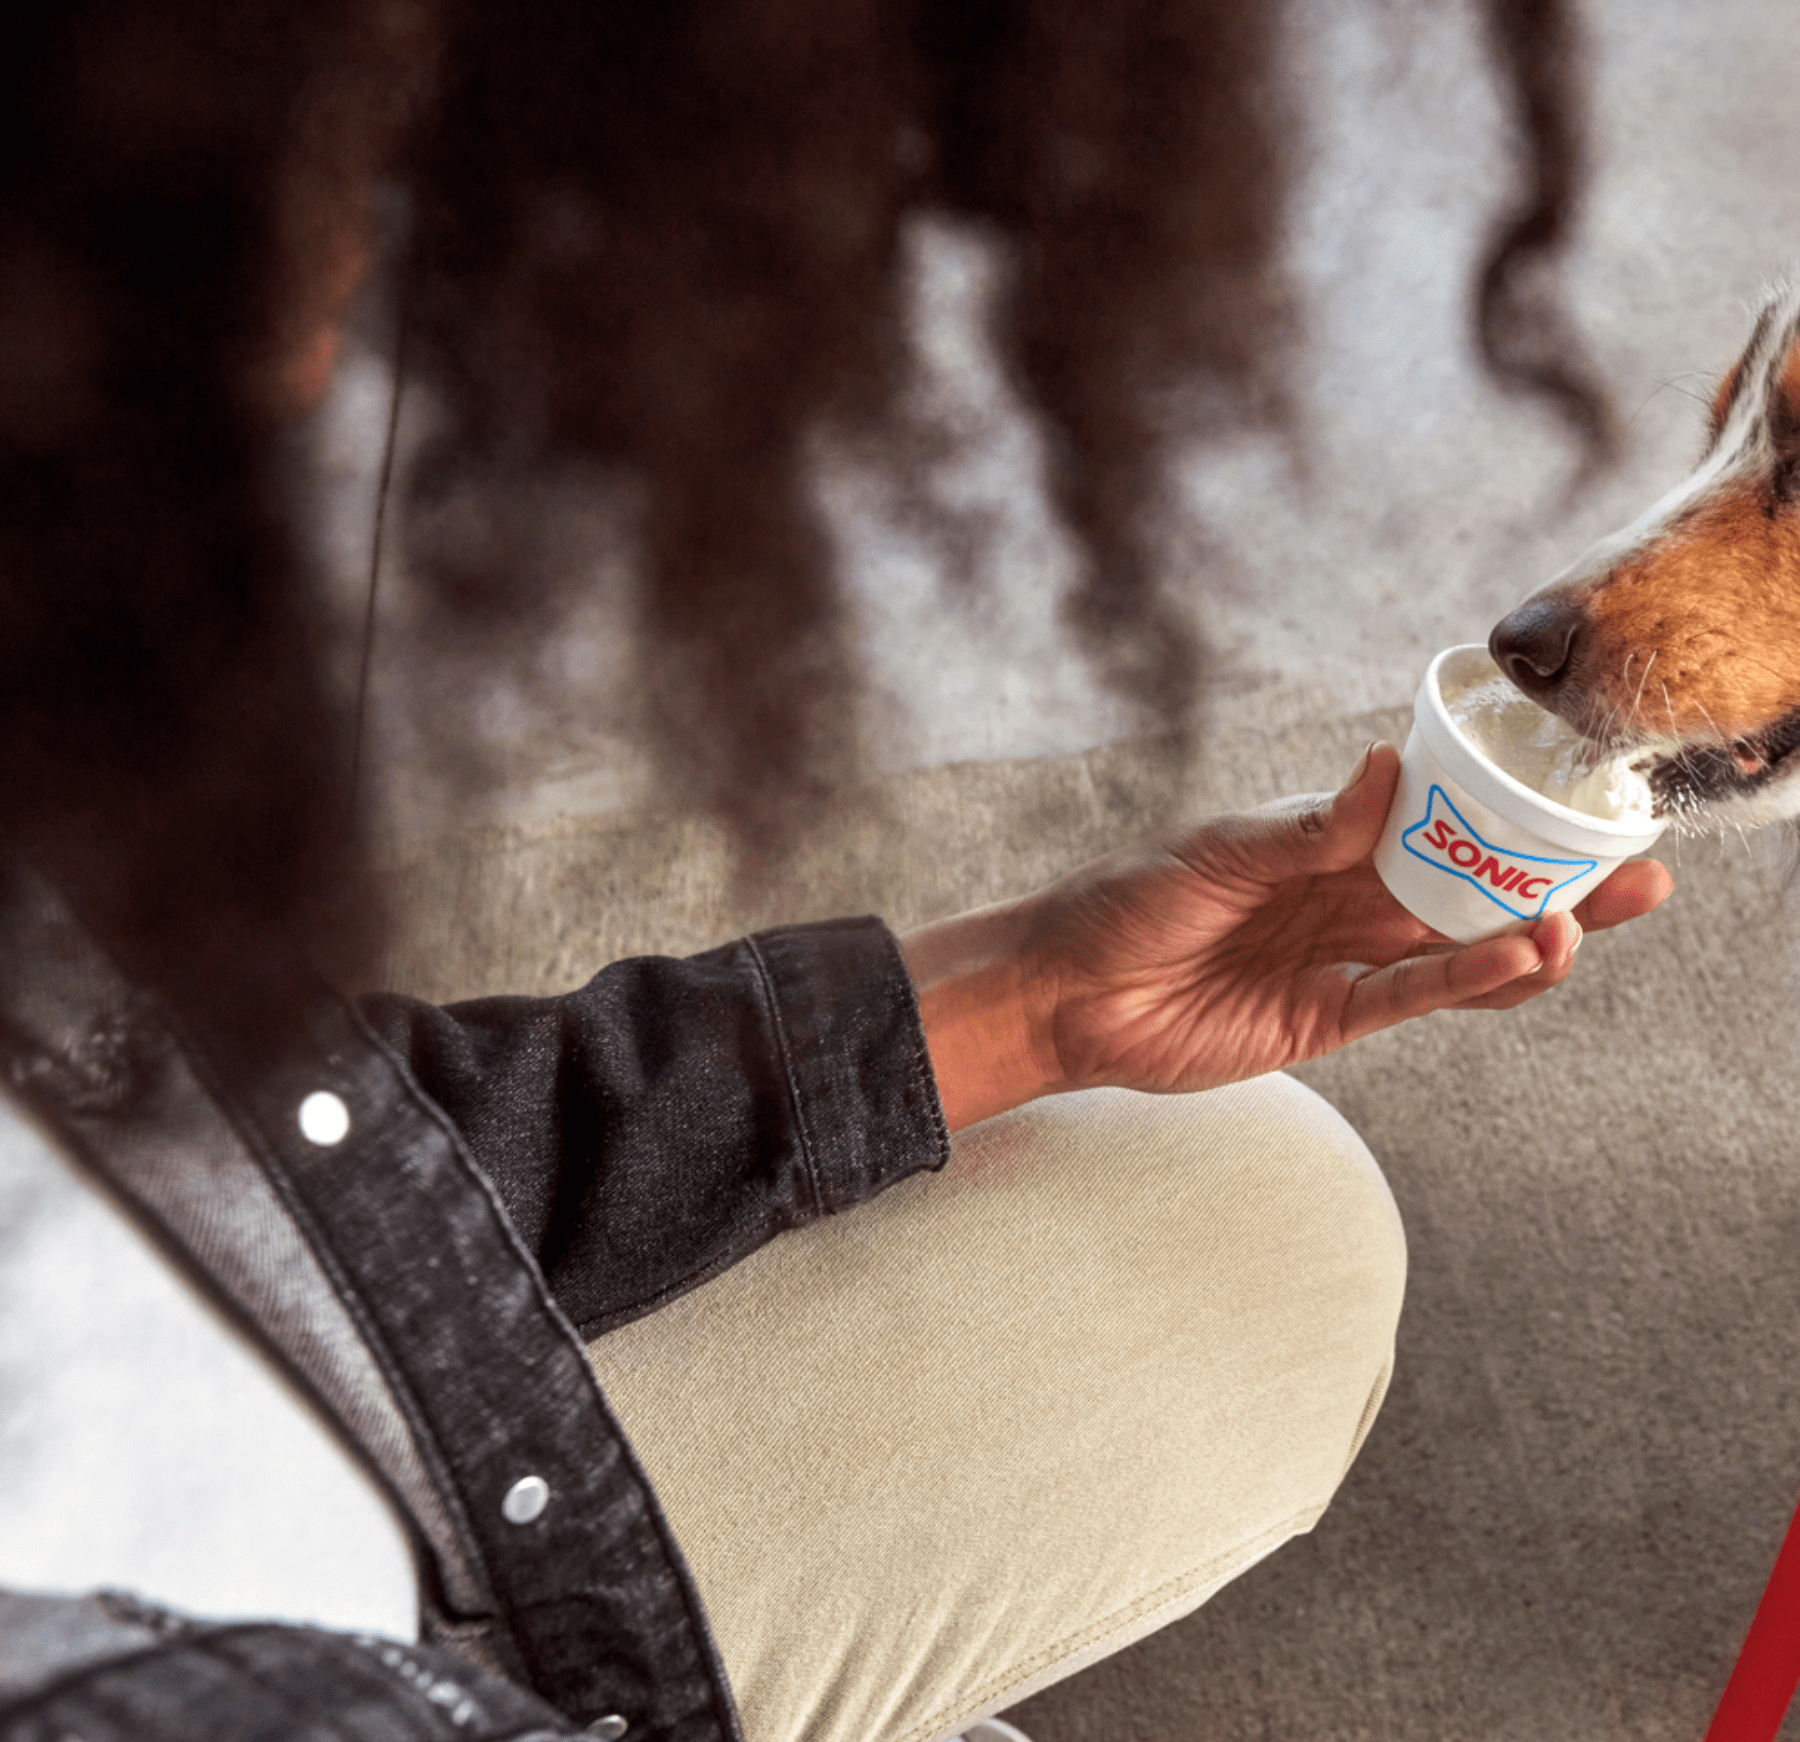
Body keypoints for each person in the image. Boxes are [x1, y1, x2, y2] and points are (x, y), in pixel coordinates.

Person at [0, 2, 1666, 1740]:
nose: (337, 308)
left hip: (382, 1486)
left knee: (1241, 1202)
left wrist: (1025, 1002)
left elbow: (243, 1170)